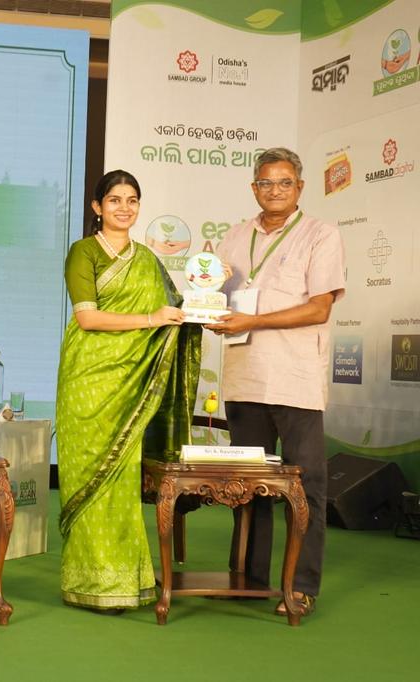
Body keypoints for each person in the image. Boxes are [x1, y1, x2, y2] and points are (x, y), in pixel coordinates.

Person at [206, 147, 345, 617]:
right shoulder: (234, 236)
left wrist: (254, 319)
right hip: (245, 378)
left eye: (285, 183)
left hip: (296, 380)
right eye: (266, 183)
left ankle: (301, 586)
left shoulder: (321, 235)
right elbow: (218, 298)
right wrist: (205, 308)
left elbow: (319, 308)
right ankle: (246, 578)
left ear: (300, 188)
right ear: (254, 188)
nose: (275, 191)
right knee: (247, 486)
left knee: (305, 489)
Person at [56, 170, 200, 612]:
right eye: (114, 200)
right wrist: (151, 320)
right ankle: (90, 579)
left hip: (133, 380)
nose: (124, 207)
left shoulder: (149, 260)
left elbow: (176, 309)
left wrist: (209, 286)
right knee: (92, 478)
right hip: (89, 379)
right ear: (97, 207)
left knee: (123, 478)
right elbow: (88, 319)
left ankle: (126, 579)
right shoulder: (83, 252)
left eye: (132, 200)